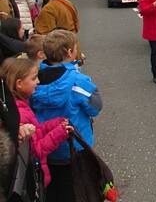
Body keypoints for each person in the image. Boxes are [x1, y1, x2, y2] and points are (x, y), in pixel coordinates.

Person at [31, 29, 102, 202]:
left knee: (53, 190)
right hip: (74, 148)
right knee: (77, 190)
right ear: (70, 52)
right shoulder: (78, 82)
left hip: (45, 147)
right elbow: (95, 107)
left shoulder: (32, 79)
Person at [0, 57, 71, 188]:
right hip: (33, 179)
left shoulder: (19, 106)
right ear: (19, 83)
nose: (38, 82)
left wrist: (55, 123)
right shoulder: (19, 114)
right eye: (33, 78)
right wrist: (60, 132)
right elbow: (35, 151)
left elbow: (36, 131)